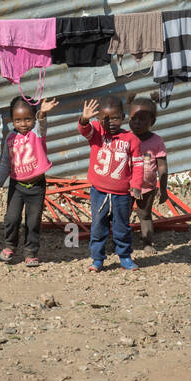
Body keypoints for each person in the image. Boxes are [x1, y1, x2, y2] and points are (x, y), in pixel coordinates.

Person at [0, 95, 58, 266]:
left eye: (27, 119)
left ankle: (30, 253)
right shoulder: (10, 138)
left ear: (33, 118)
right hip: (17, 186)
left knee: (33, 222)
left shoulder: (37, 134)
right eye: (17, 120)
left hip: (36, 187)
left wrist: (42, 114)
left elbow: (41, 125)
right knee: (11, 219)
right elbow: (6, 163)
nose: (23, 124)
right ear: (12, 120)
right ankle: (9, 246)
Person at [78, 95, 143, 273]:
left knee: (122, 227)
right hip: (99, 192)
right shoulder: (97, 133)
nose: (110, 122)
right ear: (98, 120)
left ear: (123, 117)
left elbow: (138, 164)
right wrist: (85, 119)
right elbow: (85, 130)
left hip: (122, 194)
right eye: (104, 118)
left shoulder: (131, 139)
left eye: (114, 117)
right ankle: (97, 259)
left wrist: (136, 185)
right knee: (98, 226)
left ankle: (125, 257)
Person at [126, 93, 168, 249]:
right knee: (121, 217)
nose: (136, 122)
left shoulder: (157, 141)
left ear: (153, 121)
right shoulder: (125, 138)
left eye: (142, 119)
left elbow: (162, 166)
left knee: (144, 215)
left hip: (147, 187)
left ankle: (147, 243)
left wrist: (163, 189)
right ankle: (119, 243)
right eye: (133, 118)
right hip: (126, 187)